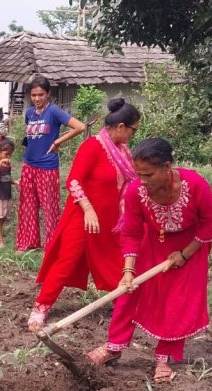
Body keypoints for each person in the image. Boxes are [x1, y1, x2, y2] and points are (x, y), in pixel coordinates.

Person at [85, 137, 212, 384]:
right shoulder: (136, 192)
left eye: (148, 174)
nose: (143, 181)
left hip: (191, 244)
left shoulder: (195, 185)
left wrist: (185, 254)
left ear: (167, 167)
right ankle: (114, 346)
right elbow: (132, 232)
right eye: (139, 174)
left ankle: (164, 357)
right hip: (152, 241)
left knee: (176, 299)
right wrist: (128, 270)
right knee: (129, 292)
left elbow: (211, 222)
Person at [28, 99, 142, 331]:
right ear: (121, 127)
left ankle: (126, 305)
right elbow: (73, 181)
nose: (133, 134)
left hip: (110, 220)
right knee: (66, 261)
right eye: (133, 129)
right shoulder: (93, 146)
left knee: (115, 262)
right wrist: (89, 209)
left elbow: (127, 186)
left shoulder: (123, 152)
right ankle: (41, 307)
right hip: (83, 217)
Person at [16, 76, 87, 252]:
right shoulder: (29, 113)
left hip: (47, 166)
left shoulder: (54, 111)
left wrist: (58, 142)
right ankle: (28, 242)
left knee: (50, 207)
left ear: (48, 94)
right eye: (33, 95)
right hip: (29, 164)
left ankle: (52, 246)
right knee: (27, 205)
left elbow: (80, 127)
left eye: (41, 94)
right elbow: (30, 138)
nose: (37, 98)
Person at [0, 139, 17, 248]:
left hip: (6, 195)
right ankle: (0, 241)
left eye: (10, 154)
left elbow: (7, 178)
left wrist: (15, 182)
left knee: (3, 218)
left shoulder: (8, 166)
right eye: (6, 154)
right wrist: (0, 162)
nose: (8, 156)